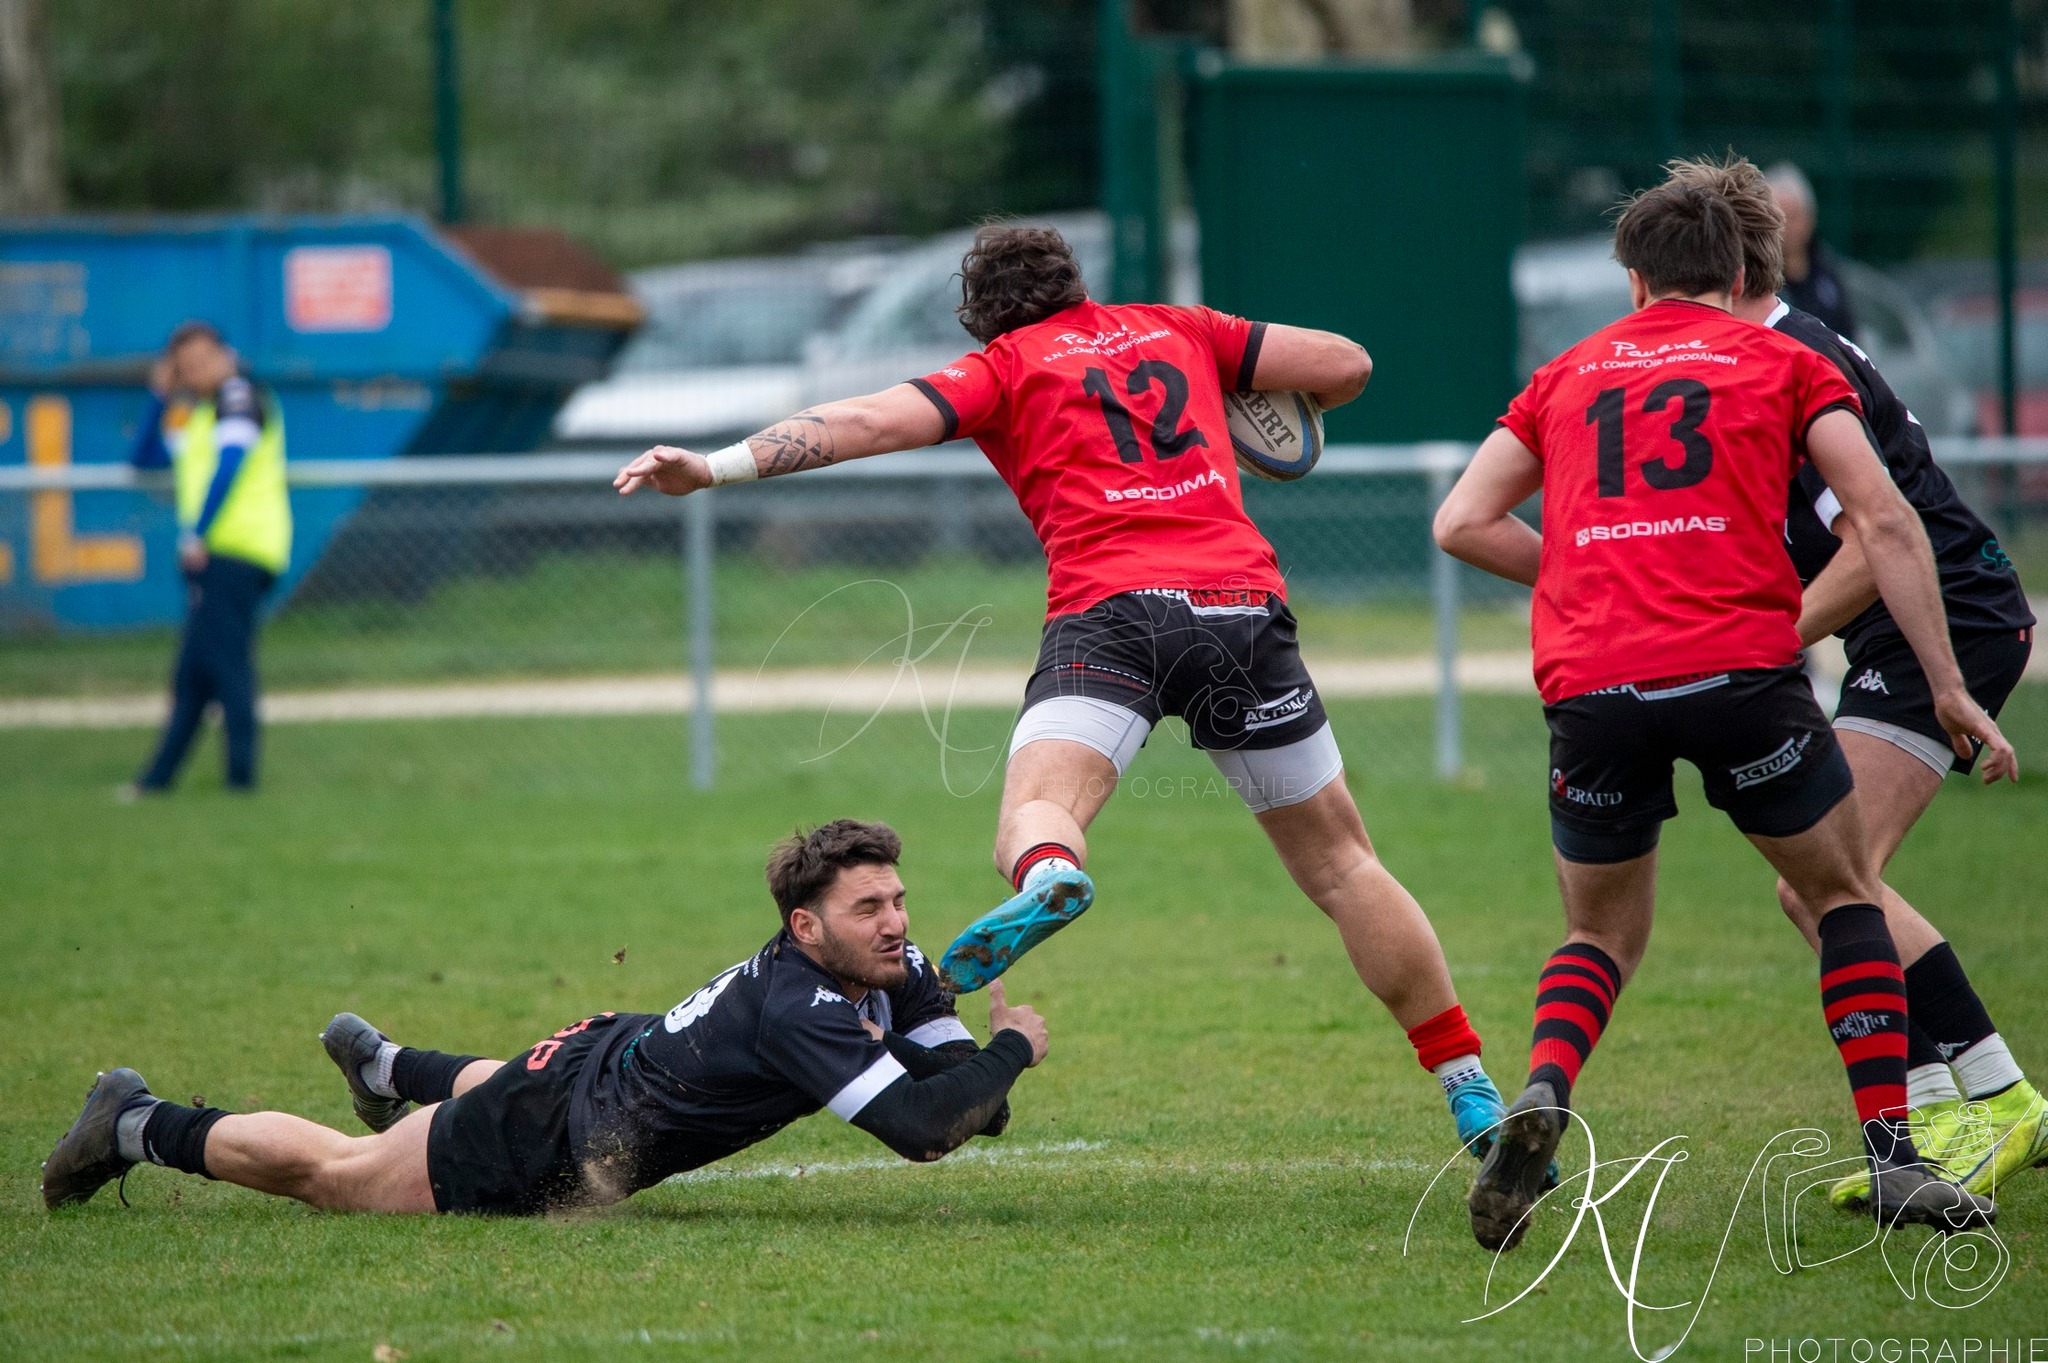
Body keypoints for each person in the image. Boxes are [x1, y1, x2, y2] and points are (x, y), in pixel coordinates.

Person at [615, 223, 1515, 1163]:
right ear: (1075, 284)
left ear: (980, 316)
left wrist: (713, 467)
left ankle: (1049, 872)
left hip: (1111, 613)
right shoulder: (1180, 328)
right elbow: (1345, 363)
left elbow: (868, 422)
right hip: (1238, 608)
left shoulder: (1002, 368)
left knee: (1038, 810)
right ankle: (1470, 1091)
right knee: (1342, 867)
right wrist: (1235, 399)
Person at [1432, 179, 2015, 1250]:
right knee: (1840, 893)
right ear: (1745, 275)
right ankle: (1892, 1153)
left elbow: (1460, 520)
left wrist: (1578, 572)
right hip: (1739, 672)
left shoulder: (1564, 373)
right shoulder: (1787, 359)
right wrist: (1943, 682)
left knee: (1597, 930)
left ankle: (1545, 1088)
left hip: (1592, 680)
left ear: (1632, 279)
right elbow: (1882, 522)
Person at [1663, 153, 2044, 1205]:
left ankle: (1999, 1100)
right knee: (1819, 886)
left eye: (1667, 282)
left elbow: (1876, 538)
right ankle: (1927, 1118)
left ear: (1724, 275)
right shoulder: (1769, 353)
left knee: (1830, 880)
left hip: (1947, 626)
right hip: (1901, 635)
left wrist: (1763, 637)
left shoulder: (1789, 364)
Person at [42, 820, 1048, 1215]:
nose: (895, 922)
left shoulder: (892, 964)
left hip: (605, 1057)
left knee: (487, 1096)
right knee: (337, 1180)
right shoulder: (805, 1003)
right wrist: (1013, 1044)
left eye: (899, 901)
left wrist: (957, 1023)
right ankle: (132, 1121)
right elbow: (922, 1131)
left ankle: (394, 1071)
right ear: (803, 922)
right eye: (868, 907)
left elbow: (967, 1106)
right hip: (557, 1127)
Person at [123, 321, 291, 796]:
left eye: (202, 361)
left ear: (225, 354)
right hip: (216, 553)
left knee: (227, 666)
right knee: (194, 675)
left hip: (237, 550)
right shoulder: (197, 415)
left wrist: (198, 533)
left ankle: (241, 780)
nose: (195, 373)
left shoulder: (238, 397)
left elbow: (232, 464)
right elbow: (143, 458)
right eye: (185, 367)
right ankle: (157, 781)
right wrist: (159, 397)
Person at [1767, 162, 1857, 342]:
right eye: (1778, 218)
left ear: (1810, 217)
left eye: (1794, 216)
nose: (1787, 227)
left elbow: (1849, 335)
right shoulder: (1758, 280)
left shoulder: (1827, 270)